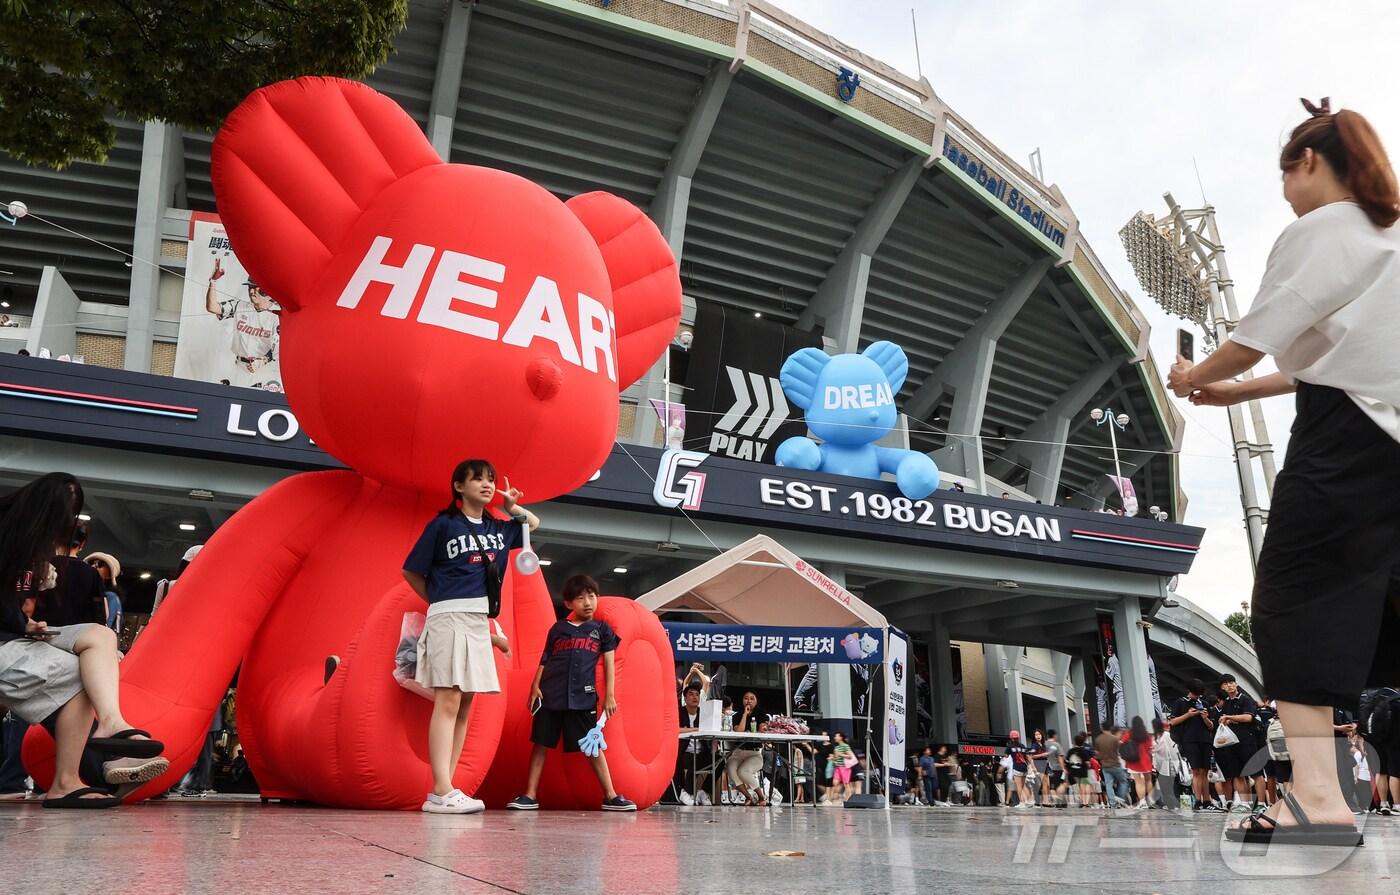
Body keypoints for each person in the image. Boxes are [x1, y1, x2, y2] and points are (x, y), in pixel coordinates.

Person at [1168, 100, 1399, 847]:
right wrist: (1234, 391)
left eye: (1285, 175)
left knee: (1292, 597)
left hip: (1348, 438)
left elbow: (1256, 337)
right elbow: (1338, 354)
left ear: (1307, 161)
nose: (1285, 193)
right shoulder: (1389, 233)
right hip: (1383, 423)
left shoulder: (1320, 228)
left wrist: (1195, 375)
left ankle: (1320, 799)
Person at [0, 473, 168, 808]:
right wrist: (23, 621)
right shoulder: (10, 538)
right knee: (80, 674)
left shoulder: (30, 547)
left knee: (100, 636)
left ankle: (111, 723)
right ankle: (67, 781)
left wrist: (28, 620)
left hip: (19, 635)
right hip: (10, 638)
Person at [402, 459, 535, 814]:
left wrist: (512, 506)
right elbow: (411, 570)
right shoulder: (443, 525)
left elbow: (531, 524)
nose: (487, 485)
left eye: (491, 479)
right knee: (448, 699)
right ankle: (440, 789)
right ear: (459, 486)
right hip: (448, 616)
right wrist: (440, 599)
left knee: (465, 704)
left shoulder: (498, 526)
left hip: (479, 620)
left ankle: (448, 786)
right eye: (478, 479)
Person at [507, 575, 635, 812]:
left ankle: (611, 795)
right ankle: (529, 795)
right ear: (568, 604)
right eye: (580, 598)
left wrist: (609, 695)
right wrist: (535, 685)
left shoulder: (602, 630)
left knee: (593, 745)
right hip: (551, 695)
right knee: (541, 744)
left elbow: (609, 663)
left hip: (582, 697)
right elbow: (545, 659)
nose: (588, 602)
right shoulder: (557, 629)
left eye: (592, 596)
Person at [205, 258, 281, 388]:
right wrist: (213, 281)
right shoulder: (240, 306)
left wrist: (264, 360)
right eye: (249, 287)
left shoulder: (277, 315)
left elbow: (280, 349)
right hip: (238, 368)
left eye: (255, 288)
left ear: (265, 290)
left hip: (264, 371)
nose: (251, 291)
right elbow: (212, 307)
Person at [35, 520, 105, 628]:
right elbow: (98, 615)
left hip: (39, 632)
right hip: (74, 638)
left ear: (54, 539)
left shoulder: (41, 566)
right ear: (82, 543)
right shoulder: (92, 574)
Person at [1165, 679, 1217, 811]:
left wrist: (1205, 717)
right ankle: (1198, 800)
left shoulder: (1204, 703)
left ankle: (1207, 801)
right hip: (1189, 740)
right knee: (1196, 771)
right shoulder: (1180, 702)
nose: (1197, 697)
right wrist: (1188, 714)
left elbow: (1211, 726)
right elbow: (1172, 722)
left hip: (1205, 740)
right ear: (1189, 691)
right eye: (1195, 694)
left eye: (1199, 694)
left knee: (1205, 771)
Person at [1214, 674, 1262, 812]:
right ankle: (1245, 803)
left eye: (1231, 682)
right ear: (1222, 687)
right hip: (1232, 743)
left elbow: (1248, 717)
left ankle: (1262, 803)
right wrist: (1226, 720)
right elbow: (1226, 719)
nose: (1229, 685)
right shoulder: (1226, 703)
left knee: (1255, 773)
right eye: (1226, 684)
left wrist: (1229, 717)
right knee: (1239, 774)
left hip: (1247, 740)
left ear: (1236, 684)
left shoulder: (1245, 699)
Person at [726, 691, 767, 806]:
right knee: (730, 766)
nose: (748, 701)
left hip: (754, 753)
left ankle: (761, 797)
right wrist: (744, 714)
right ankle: (748, 797)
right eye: (746, 698)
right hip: (739, 752)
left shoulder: (761, 714)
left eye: (752, 698)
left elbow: (761, 730)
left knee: (743, 771)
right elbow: (739, 731)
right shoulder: (736, 715)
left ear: (756, 701)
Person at [83, 552, 122, 633]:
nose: (94, 566)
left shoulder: (110, 596)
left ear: (109, 573)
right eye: (91, 563)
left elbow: (108, 625)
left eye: (100, 564)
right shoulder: (82, 591)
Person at [1121, 716, 1155, 809]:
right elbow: (1150, 748)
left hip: (1134, 760)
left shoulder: (1129, 733)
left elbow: (1121, 742)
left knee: (1138, 781)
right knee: (1148, 780)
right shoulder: (1146, 734)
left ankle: (1142, 802)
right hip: (1146, 760)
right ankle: (1151, 800)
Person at [1094, 723, 1130, 808]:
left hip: (1105, 766)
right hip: (1115, 765)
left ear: (1102, 728)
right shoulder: (1114, 739)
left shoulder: (1098, 739)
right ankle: (1120, 797)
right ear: (1110, 728)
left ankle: (1112, 803)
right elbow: (1120, 750)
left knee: (1108, 784)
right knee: (1124, 781)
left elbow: (1097, 754)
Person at [1064, 733, 1093, 807]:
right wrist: (1089, 765)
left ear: (1074, 742)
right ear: (1083, 742)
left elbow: (1066, 761)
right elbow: (1087, 762)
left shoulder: (1070, 751)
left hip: (1073, 771)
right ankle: (1085, 802)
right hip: (1083, 772)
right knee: (1084, 786)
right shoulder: (1083, 751)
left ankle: (1081, 801)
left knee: (1078, 788)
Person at [1005, 730, 1033, 807]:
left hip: (1016, 767)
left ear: (1011, 738)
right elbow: (1027, 756)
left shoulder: (1010, 747)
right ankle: (1028, 801)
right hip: (1024, 767)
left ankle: (1022, 802)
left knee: (1018, 786)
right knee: (1023, 785)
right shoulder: (1022, 746)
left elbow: (1006, 756)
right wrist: (1032, 766)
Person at [828, 731, 855, 803]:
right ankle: (837, 797)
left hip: (844, 767)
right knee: (835, 782)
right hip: (837, 767)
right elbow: (836, 757)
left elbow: (850, 756)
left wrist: (840, 754)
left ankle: (848, 799)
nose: (835, 738)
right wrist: (832, 758)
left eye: (836, 736)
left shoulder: (845, 746)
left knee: (846, 784)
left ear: (841, 737)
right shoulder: (836, 747)